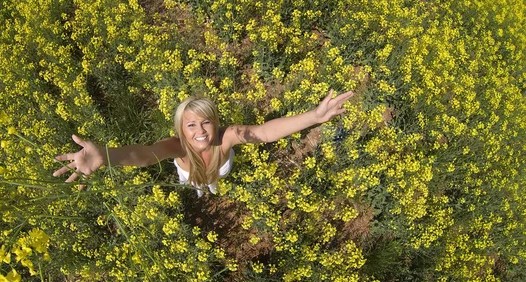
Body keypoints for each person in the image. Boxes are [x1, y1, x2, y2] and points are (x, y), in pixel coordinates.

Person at [53, 89, 354, 195]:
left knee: (215, 180)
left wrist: (314, 117)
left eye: (206, 121)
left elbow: (264, 132)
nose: (200, 130)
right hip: (189, 175)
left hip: (220, 168)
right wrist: (105, 156)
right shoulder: (177, 147)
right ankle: (202, 189)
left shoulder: (226, 139)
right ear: (181, 129)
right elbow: (144, 155)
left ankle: (211, 187)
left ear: (216, 122)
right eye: (192, 124)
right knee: (196, 186)